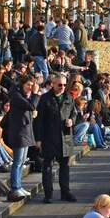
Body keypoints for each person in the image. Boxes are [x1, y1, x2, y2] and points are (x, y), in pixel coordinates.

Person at [34, 74, 76, 204]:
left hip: (65, 137)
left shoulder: (69, 97)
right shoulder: (45, 98)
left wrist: (72, 121)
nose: (62, 87)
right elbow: (39, 120)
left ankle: (65, 192)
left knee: (65, 167)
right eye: (59, 85)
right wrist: (38, 139)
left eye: (64, 85)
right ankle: (48, 194)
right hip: (49, 137)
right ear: (53, 84)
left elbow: (74, 113)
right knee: (47, 167)